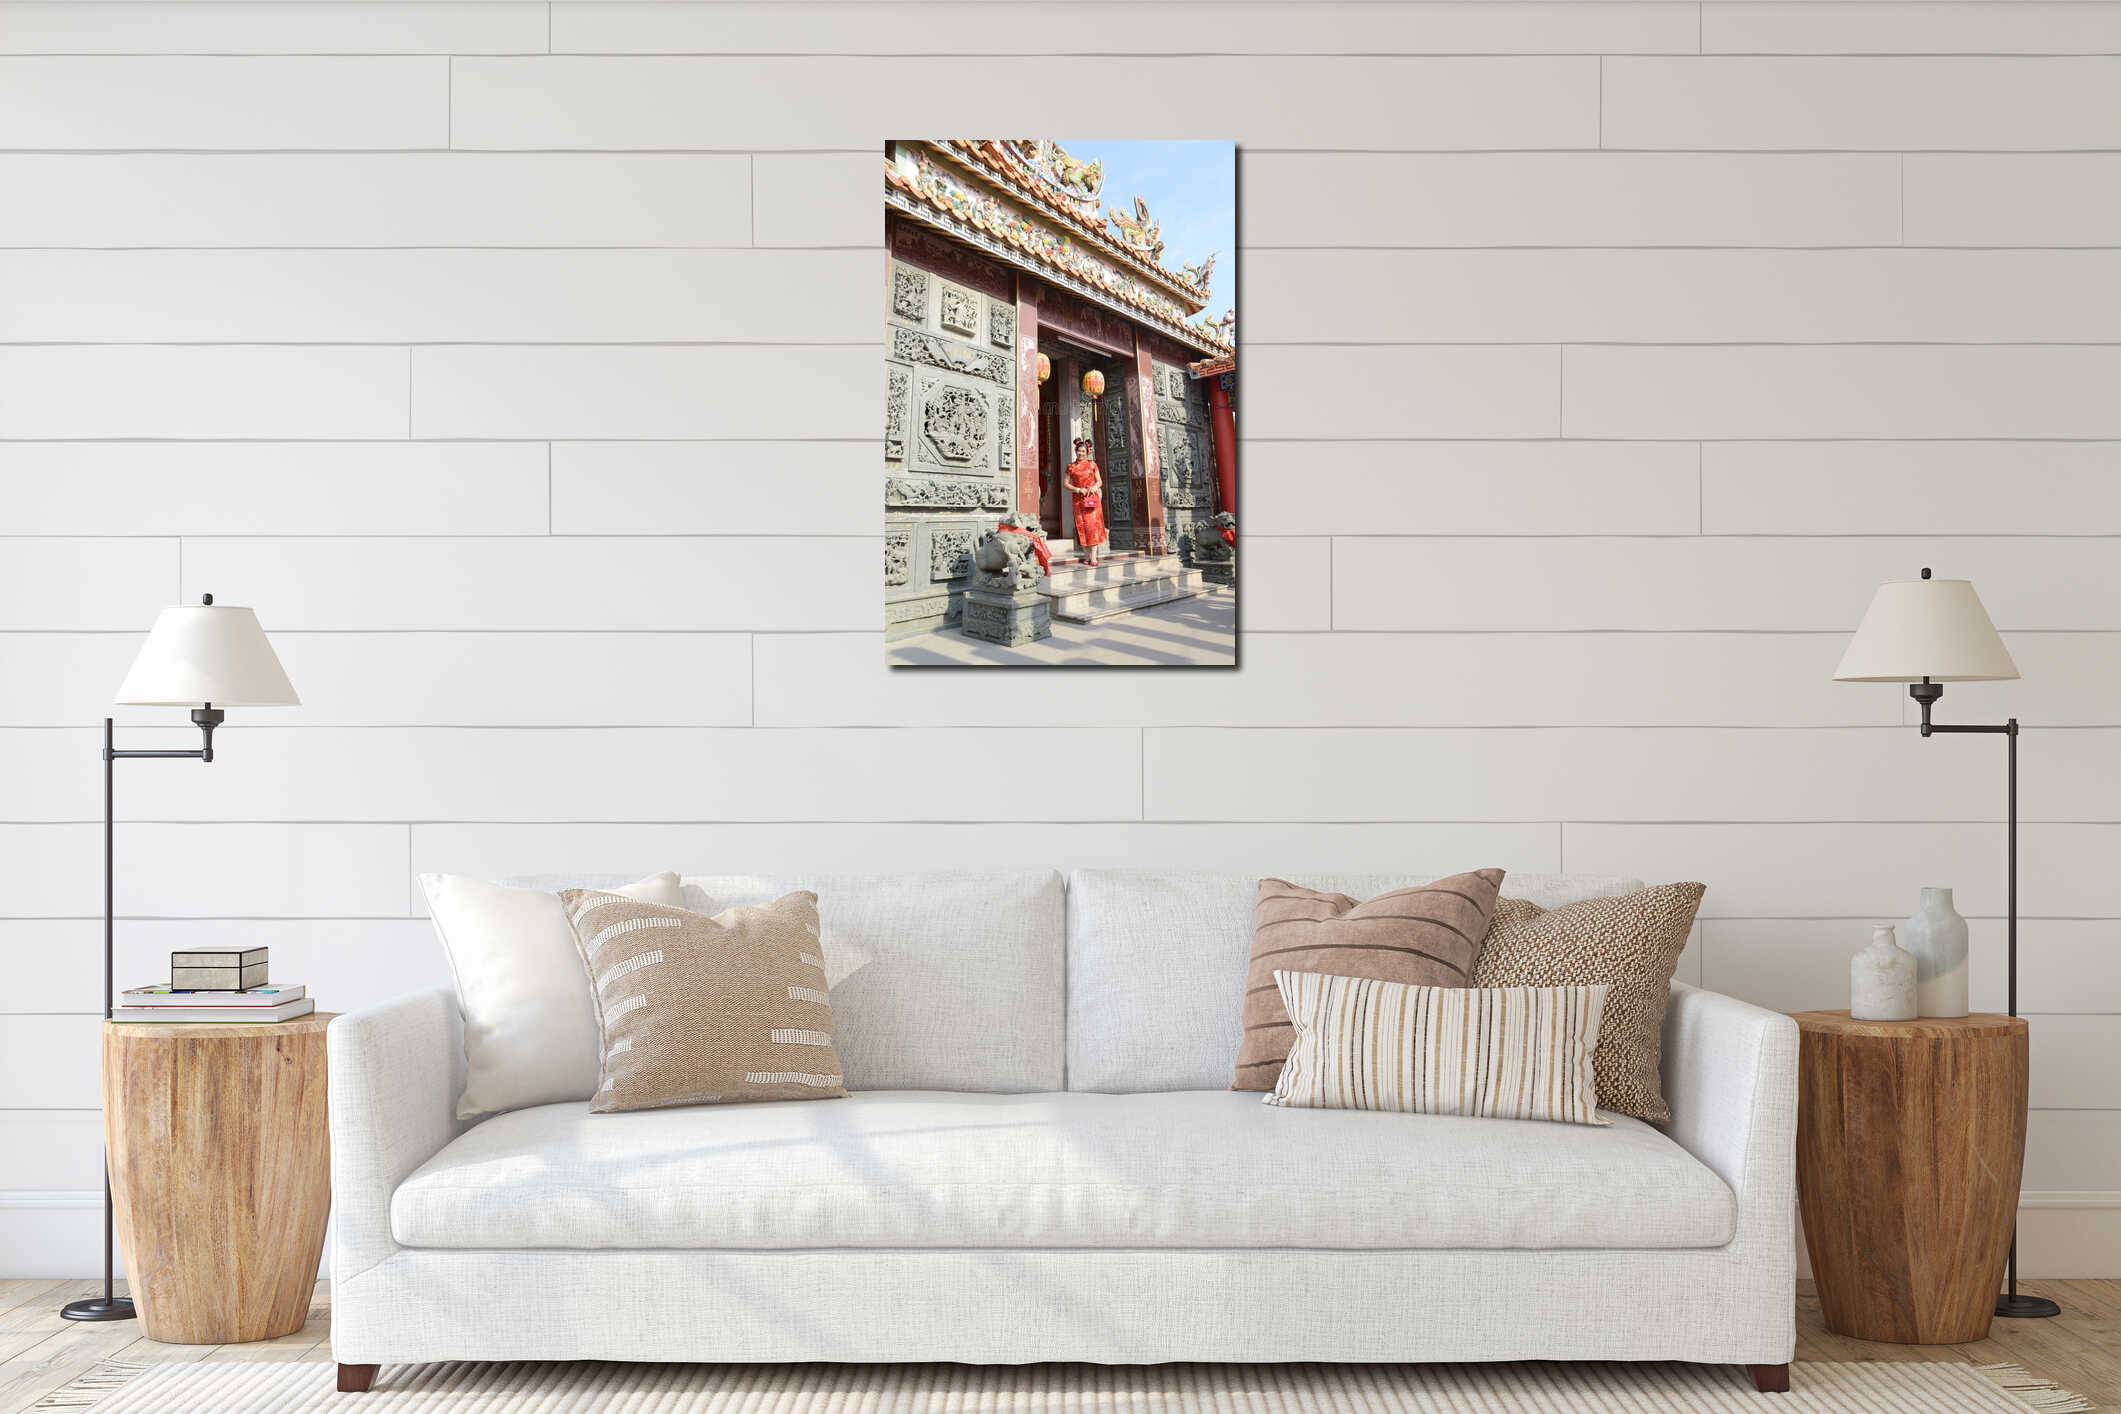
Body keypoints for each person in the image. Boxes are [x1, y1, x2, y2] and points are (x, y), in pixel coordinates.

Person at [1064, 437, 1107, 568]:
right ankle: (1086, 556)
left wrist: (1094, 487)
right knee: (1081, 527)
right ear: (1075, 451)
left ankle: (1093, 556)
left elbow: (1099, 481)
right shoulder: (1070, 467)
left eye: (1083, 451)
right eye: (1079, 451)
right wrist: (1077, 489)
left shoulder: (1092, 465)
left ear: (1087, 452)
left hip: (1092, 499)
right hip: (1078, 500)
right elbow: (1065, 484)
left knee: (1092, 527)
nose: (1081, 453)